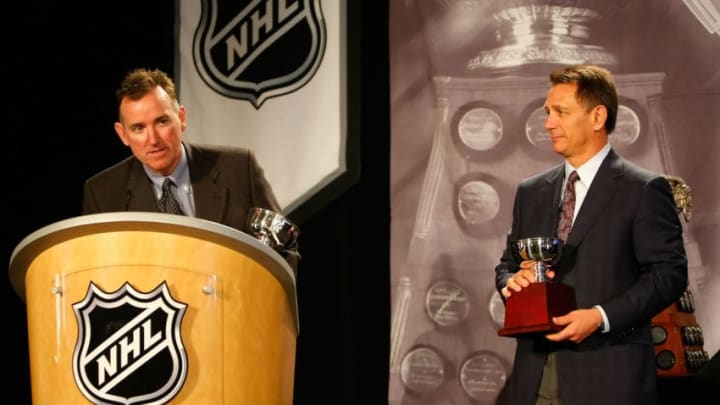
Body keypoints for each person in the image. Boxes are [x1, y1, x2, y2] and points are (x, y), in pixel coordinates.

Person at [494, 65, 687, 405]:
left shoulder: (642, 189)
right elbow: (507, 265)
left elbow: (668, 274)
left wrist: (601, 316)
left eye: (561, 112)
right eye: (548, 112)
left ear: (598, 117)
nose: (548, 123)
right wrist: (512, 282)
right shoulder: (532, 191)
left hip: (608, 378)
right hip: (533, 377)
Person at [82, 67, 299, 271]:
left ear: (182, 118)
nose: (153, 139)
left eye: (162, 122)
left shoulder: (239, 168)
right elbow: (98, 273)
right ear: (123, 135)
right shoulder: (102, 194)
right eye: (138, 128)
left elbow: (283, 248)